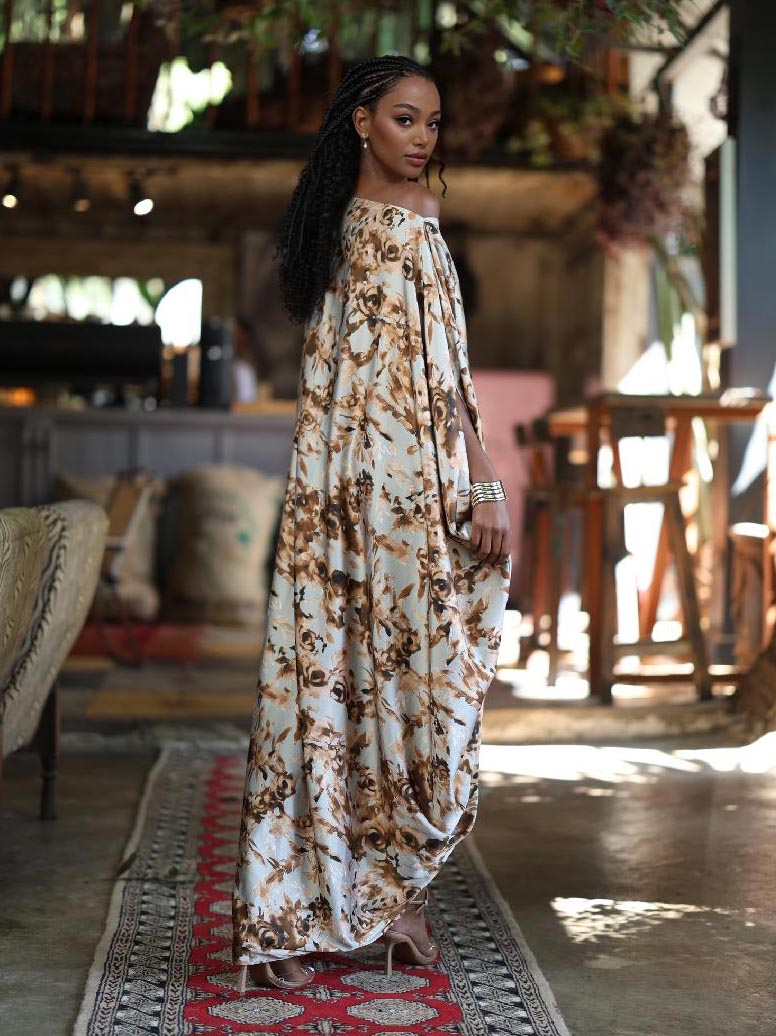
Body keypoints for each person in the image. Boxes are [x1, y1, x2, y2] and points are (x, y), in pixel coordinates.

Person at [232, 53, 512, 993]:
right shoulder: (334, 226)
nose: (423, 138)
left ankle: (391, 900)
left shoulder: (416, 216)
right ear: (361, 122)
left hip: (403, 488)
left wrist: (480, 480)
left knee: (412, 675)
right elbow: (339, 374)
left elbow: (449, 371)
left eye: (432, 122)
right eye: (404, 118)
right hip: (348, 489)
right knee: (337, 677)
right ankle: (299, 909)